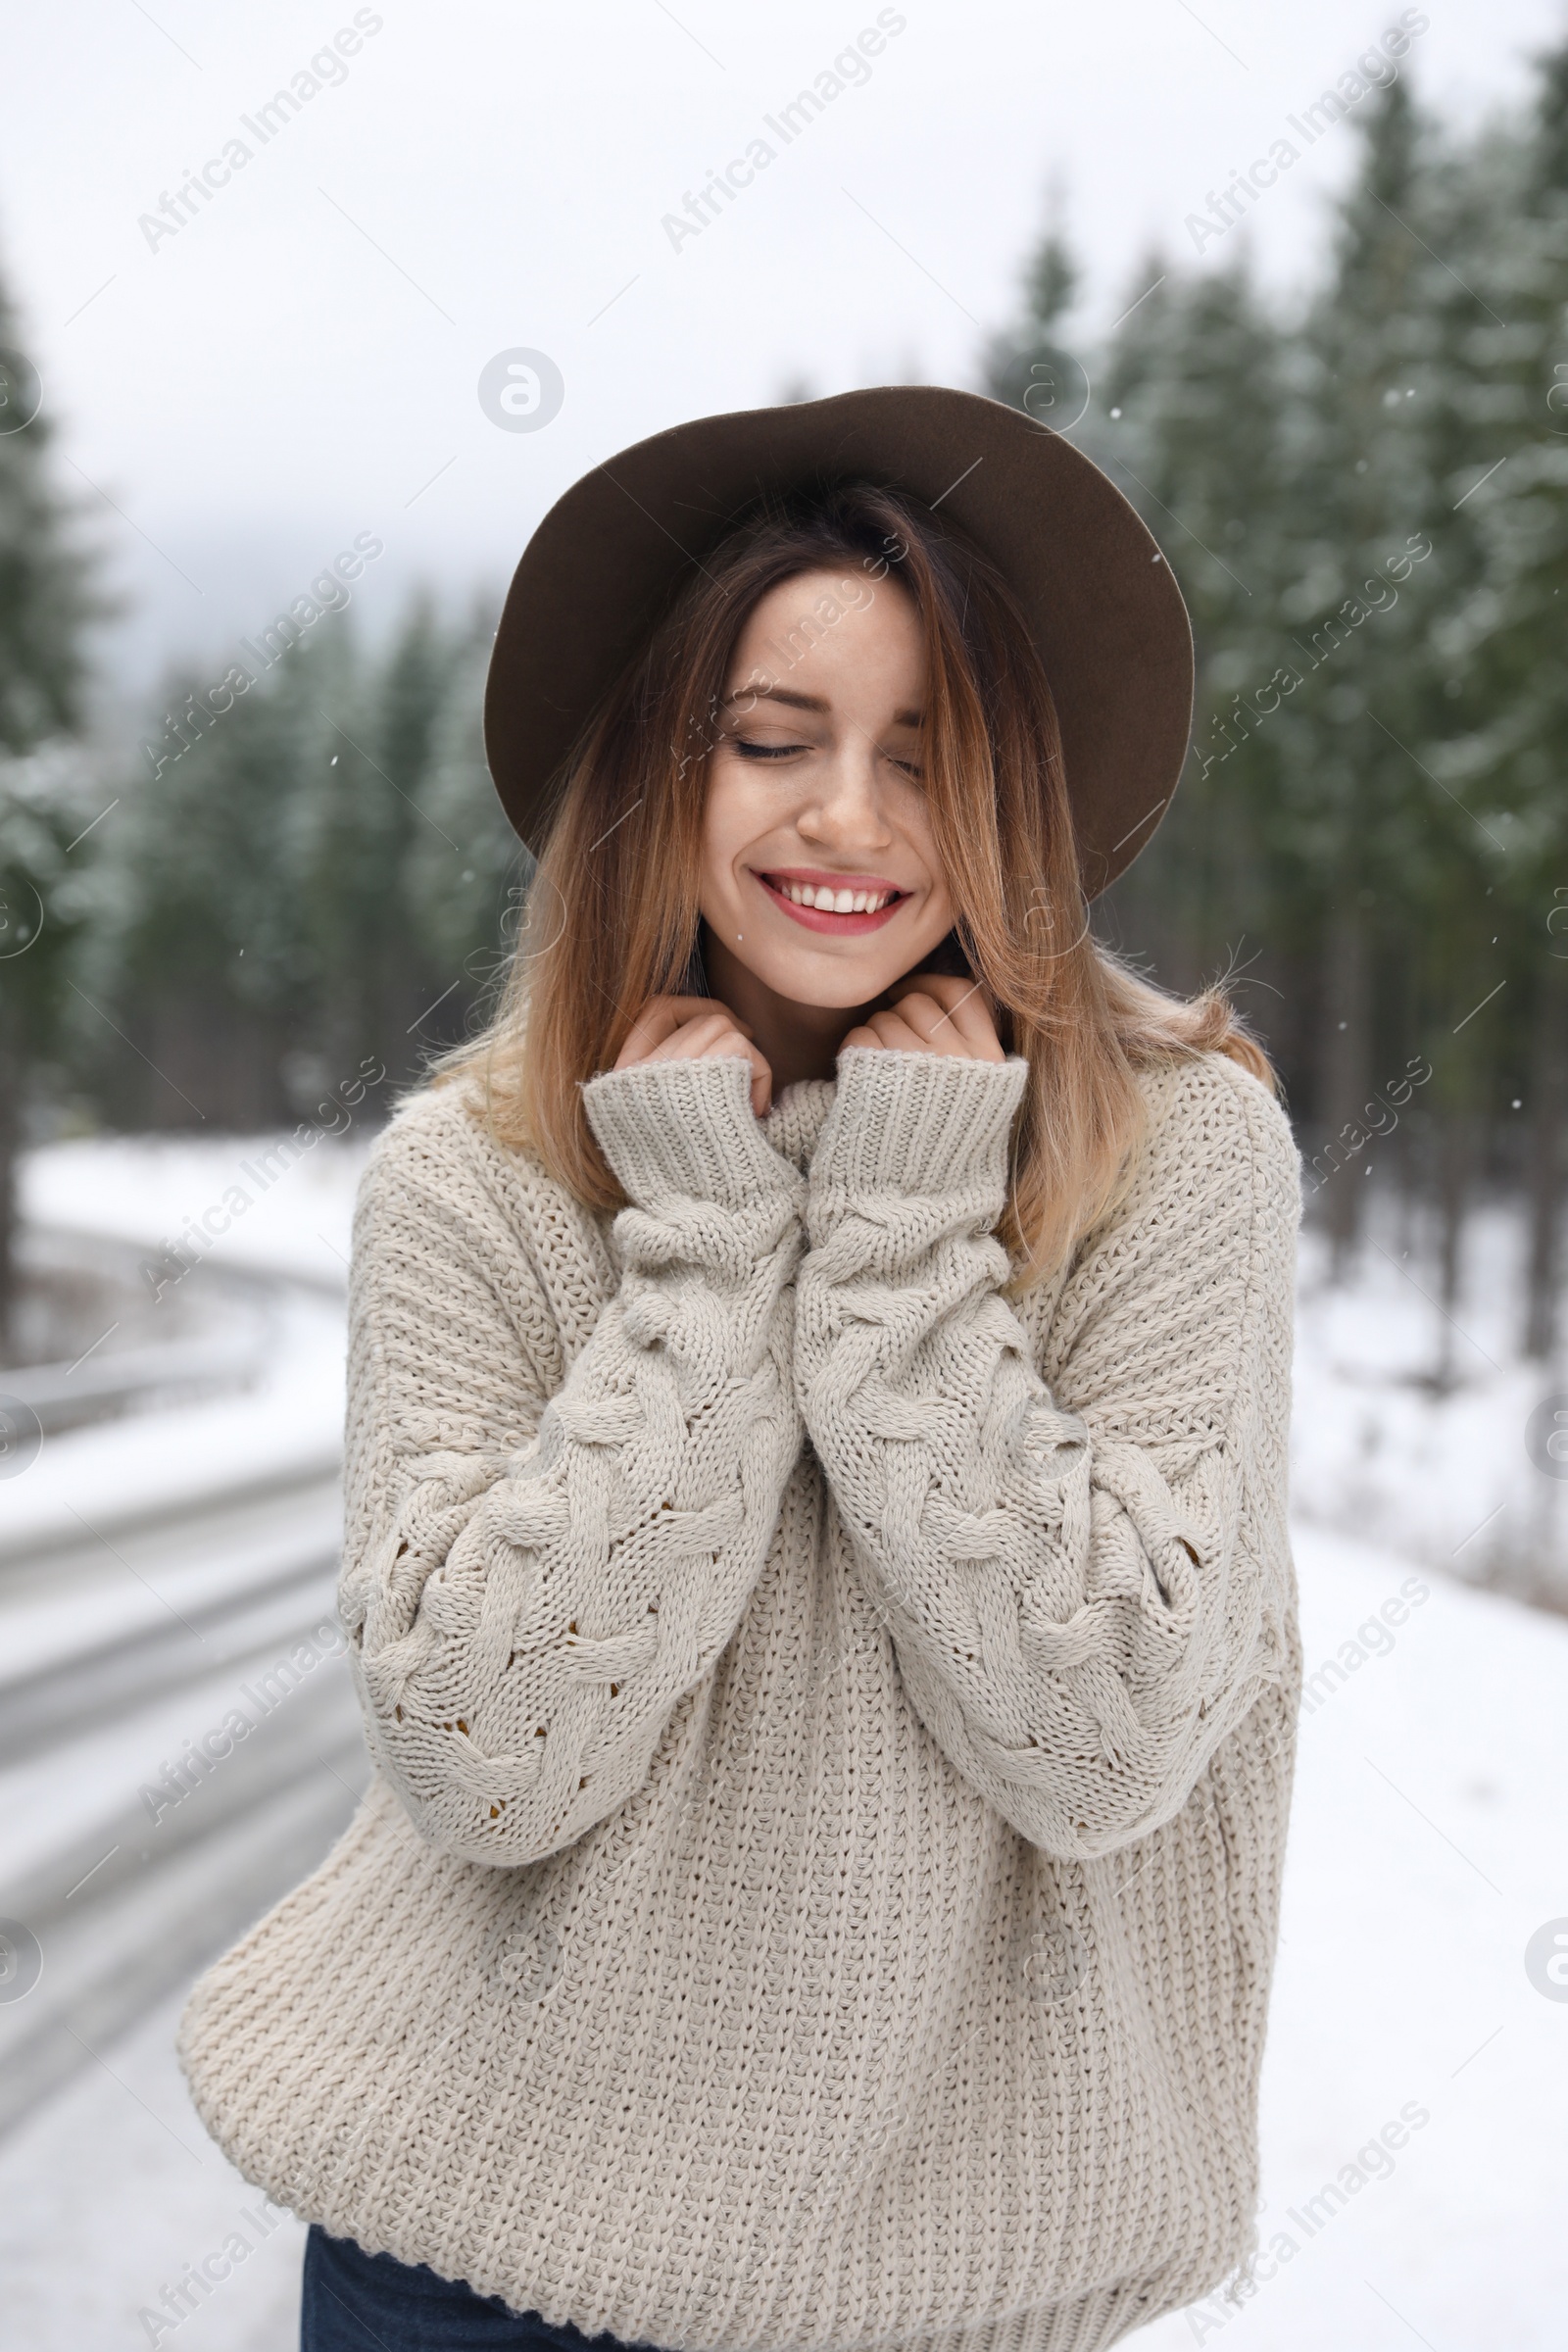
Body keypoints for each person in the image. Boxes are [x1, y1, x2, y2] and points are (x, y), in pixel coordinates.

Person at [178, 385, 1303, 2352]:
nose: (846, 819)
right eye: (771, 741)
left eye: (923, 760)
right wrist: (703, 1253)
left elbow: (1110, 1733)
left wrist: (893, 1244)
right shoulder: (478, 1179)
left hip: (949, 2294)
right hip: (468, 2263)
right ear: (657, 776)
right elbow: (482, 1758)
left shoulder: (1172, 1155)